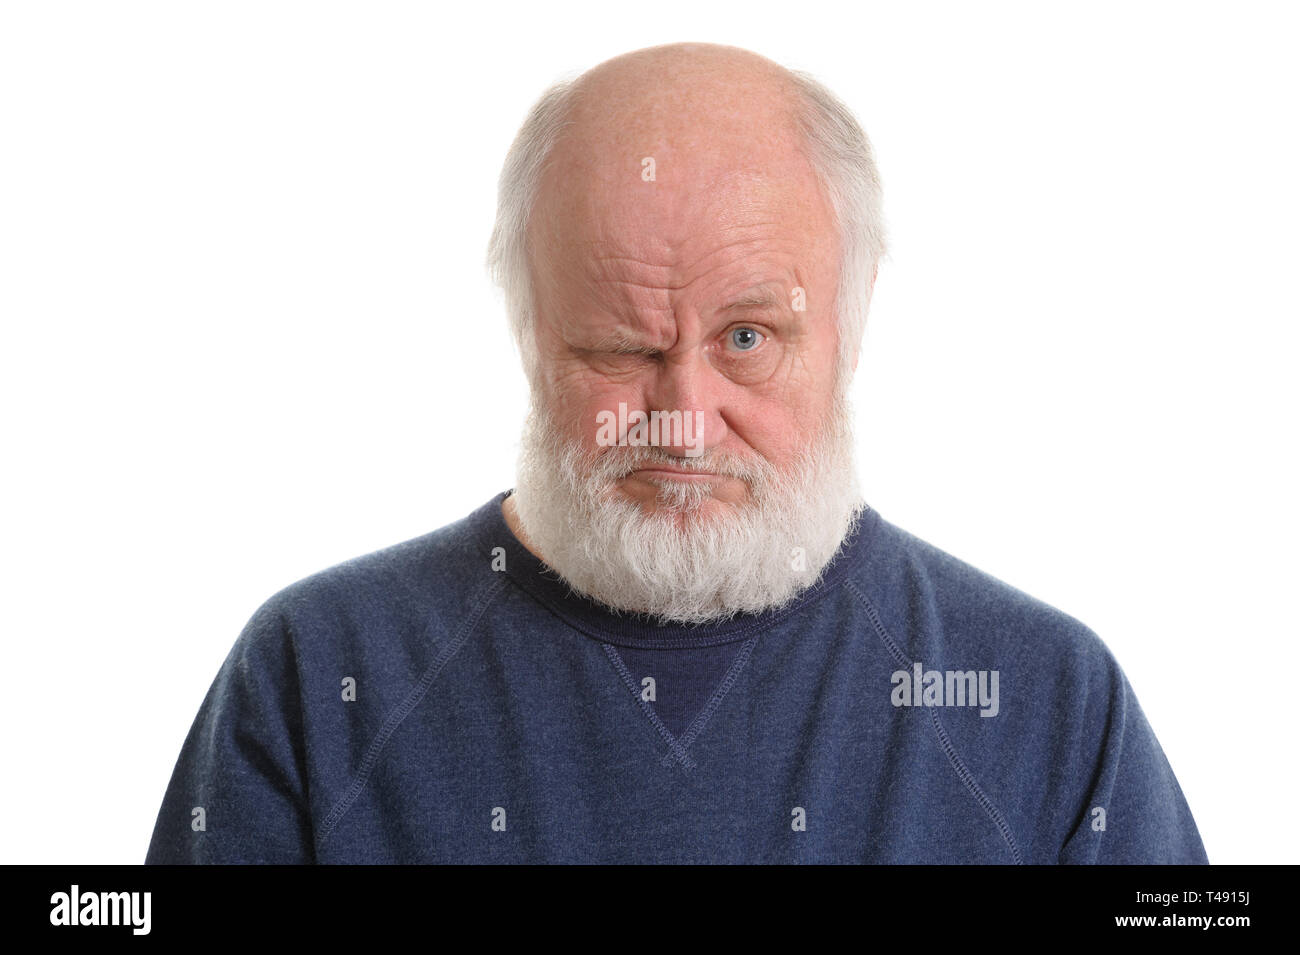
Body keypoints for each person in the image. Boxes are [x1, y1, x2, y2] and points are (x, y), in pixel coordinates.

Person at [146, 42, 1207, 864]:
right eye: (622, 346)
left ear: (851, 322)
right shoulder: (314, 673)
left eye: (747, 338)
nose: (682, 420)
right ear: (527, 330)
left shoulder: (1049, 699)